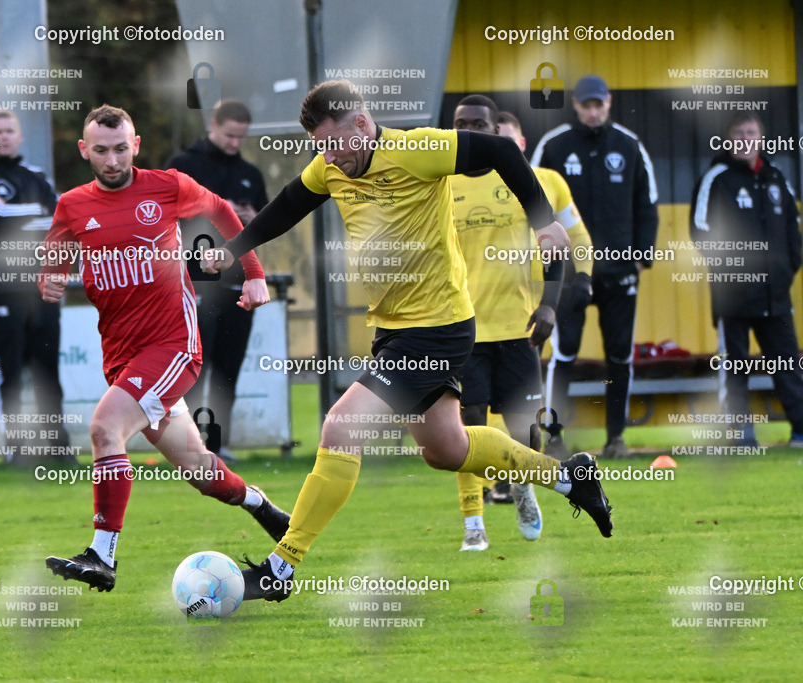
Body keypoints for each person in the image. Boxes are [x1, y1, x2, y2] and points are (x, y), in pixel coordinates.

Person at [203, 80, 613, 603]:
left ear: (361, 123)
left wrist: (542, 221)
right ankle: (570, 477)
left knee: (341, 425)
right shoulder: (330, 166)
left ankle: (281, 568)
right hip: (394, 327)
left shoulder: (417, 149)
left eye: (337, 143)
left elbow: (502, 150)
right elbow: (287, 207)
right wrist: (234, 250)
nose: (330, 158)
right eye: (320, 148)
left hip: (438, 326)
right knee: (447, 450)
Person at [37, 105, 290, 592]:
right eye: (100, 150)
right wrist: (50, 278)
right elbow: (58, 249)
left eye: (120, 149)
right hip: (122, 356)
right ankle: (267, 510)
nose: (111, 161)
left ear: (135, 145)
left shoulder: (167, 186)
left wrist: (254, 274)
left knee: (104, 429)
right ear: (84, 150)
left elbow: (222, 210)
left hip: (172, 345)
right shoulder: (71, 204)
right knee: (198, 468)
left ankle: (102, 555)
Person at [450, 99, 593, 552]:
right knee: (466, 426)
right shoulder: (440, 182)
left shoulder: (521, 181)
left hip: (517, 324)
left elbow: (556, 243)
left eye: (479, 125)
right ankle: (474, 522)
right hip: (460, 326)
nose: (470, 131)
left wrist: (551, 306)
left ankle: (523, 488)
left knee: (524, 430)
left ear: (495, 131)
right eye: (461, 125)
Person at [531, 75, 659, 459]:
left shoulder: (629, 145)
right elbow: (532, 199)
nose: (592, 111)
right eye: (586, 105)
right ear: (575, 104)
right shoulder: (553, 147)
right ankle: (554, 436)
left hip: (619, 271)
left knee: (619, 354)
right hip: (570, 274)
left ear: (608, 102)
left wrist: (642, 255)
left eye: (598, 104)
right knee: (565, 353)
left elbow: (647, 204)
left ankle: (616, 438)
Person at [0, 109, 73, 466]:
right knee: (8, 371)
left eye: (10, 130)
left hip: (42, 290)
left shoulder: (36, 175)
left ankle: (57, 446)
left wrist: (14, 211)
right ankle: (16, 449)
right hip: (1, 290)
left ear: (20, 135)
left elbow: (59, 217)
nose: (4, 136)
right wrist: (32, 213)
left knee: (47, 371)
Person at [689, 112, 803, 447]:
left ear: (761, 138)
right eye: (738, 133)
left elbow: (794, 234)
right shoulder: (716, 179)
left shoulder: (777, 179)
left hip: (776, 297)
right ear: (729, 139)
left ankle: (800, 430)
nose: (745, 138)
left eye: (751, 132)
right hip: (733, 299)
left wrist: (785, 272)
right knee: (735, 369)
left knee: (789, 365)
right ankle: (741, 435)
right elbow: (700, 232)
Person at [165, 100, 269, 461]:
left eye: (240, 137)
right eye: (228, 135)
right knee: (194, 365)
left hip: (237, 285)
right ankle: (186, 444)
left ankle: (217, 444)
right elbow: (164, 219)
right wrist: (218, 208)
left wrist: (251, 216)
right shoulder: (184, 166)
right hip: (195, 283)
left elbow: (264, 227)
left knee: (228, 365)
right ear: (213, 124)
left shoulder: (250, 174)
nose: (233, 143)